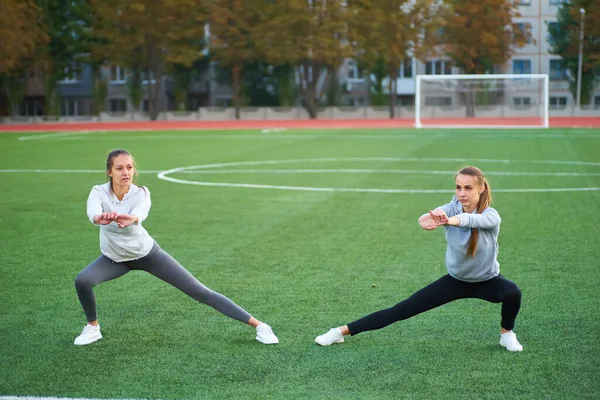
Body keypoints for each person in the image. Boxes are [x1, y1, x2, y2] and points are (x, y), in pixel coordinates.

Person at [74, 149, 278, 346]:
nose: (126, 173)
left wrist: (133, 218)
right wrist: (98, 218)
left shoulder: (141, 193)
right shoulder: (98, 192)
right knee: (83, 280)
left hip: (147, 254)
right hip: (114, 258)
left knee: (200, 291)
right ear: (110, 172)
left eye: (129, 167)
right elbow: (93, 212)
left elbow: (141, 212)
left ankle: (260, 326)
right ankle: (93, 328)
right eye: (119, 168)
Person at [315, 166, 523, 352]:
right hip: (455, 281)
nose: (462, 193)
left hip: (487, 280)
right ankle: (339, 332)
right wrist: (437, 215)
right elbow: (425, 220)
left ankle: (506, 334)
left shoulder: (491, 215)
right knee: (401, 310)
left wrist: (449, 221)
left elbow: (473, 220)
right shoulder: (452, 207)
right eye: (458, 187)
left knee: (512, 292)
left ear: (481, 189)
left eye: (468, 188)